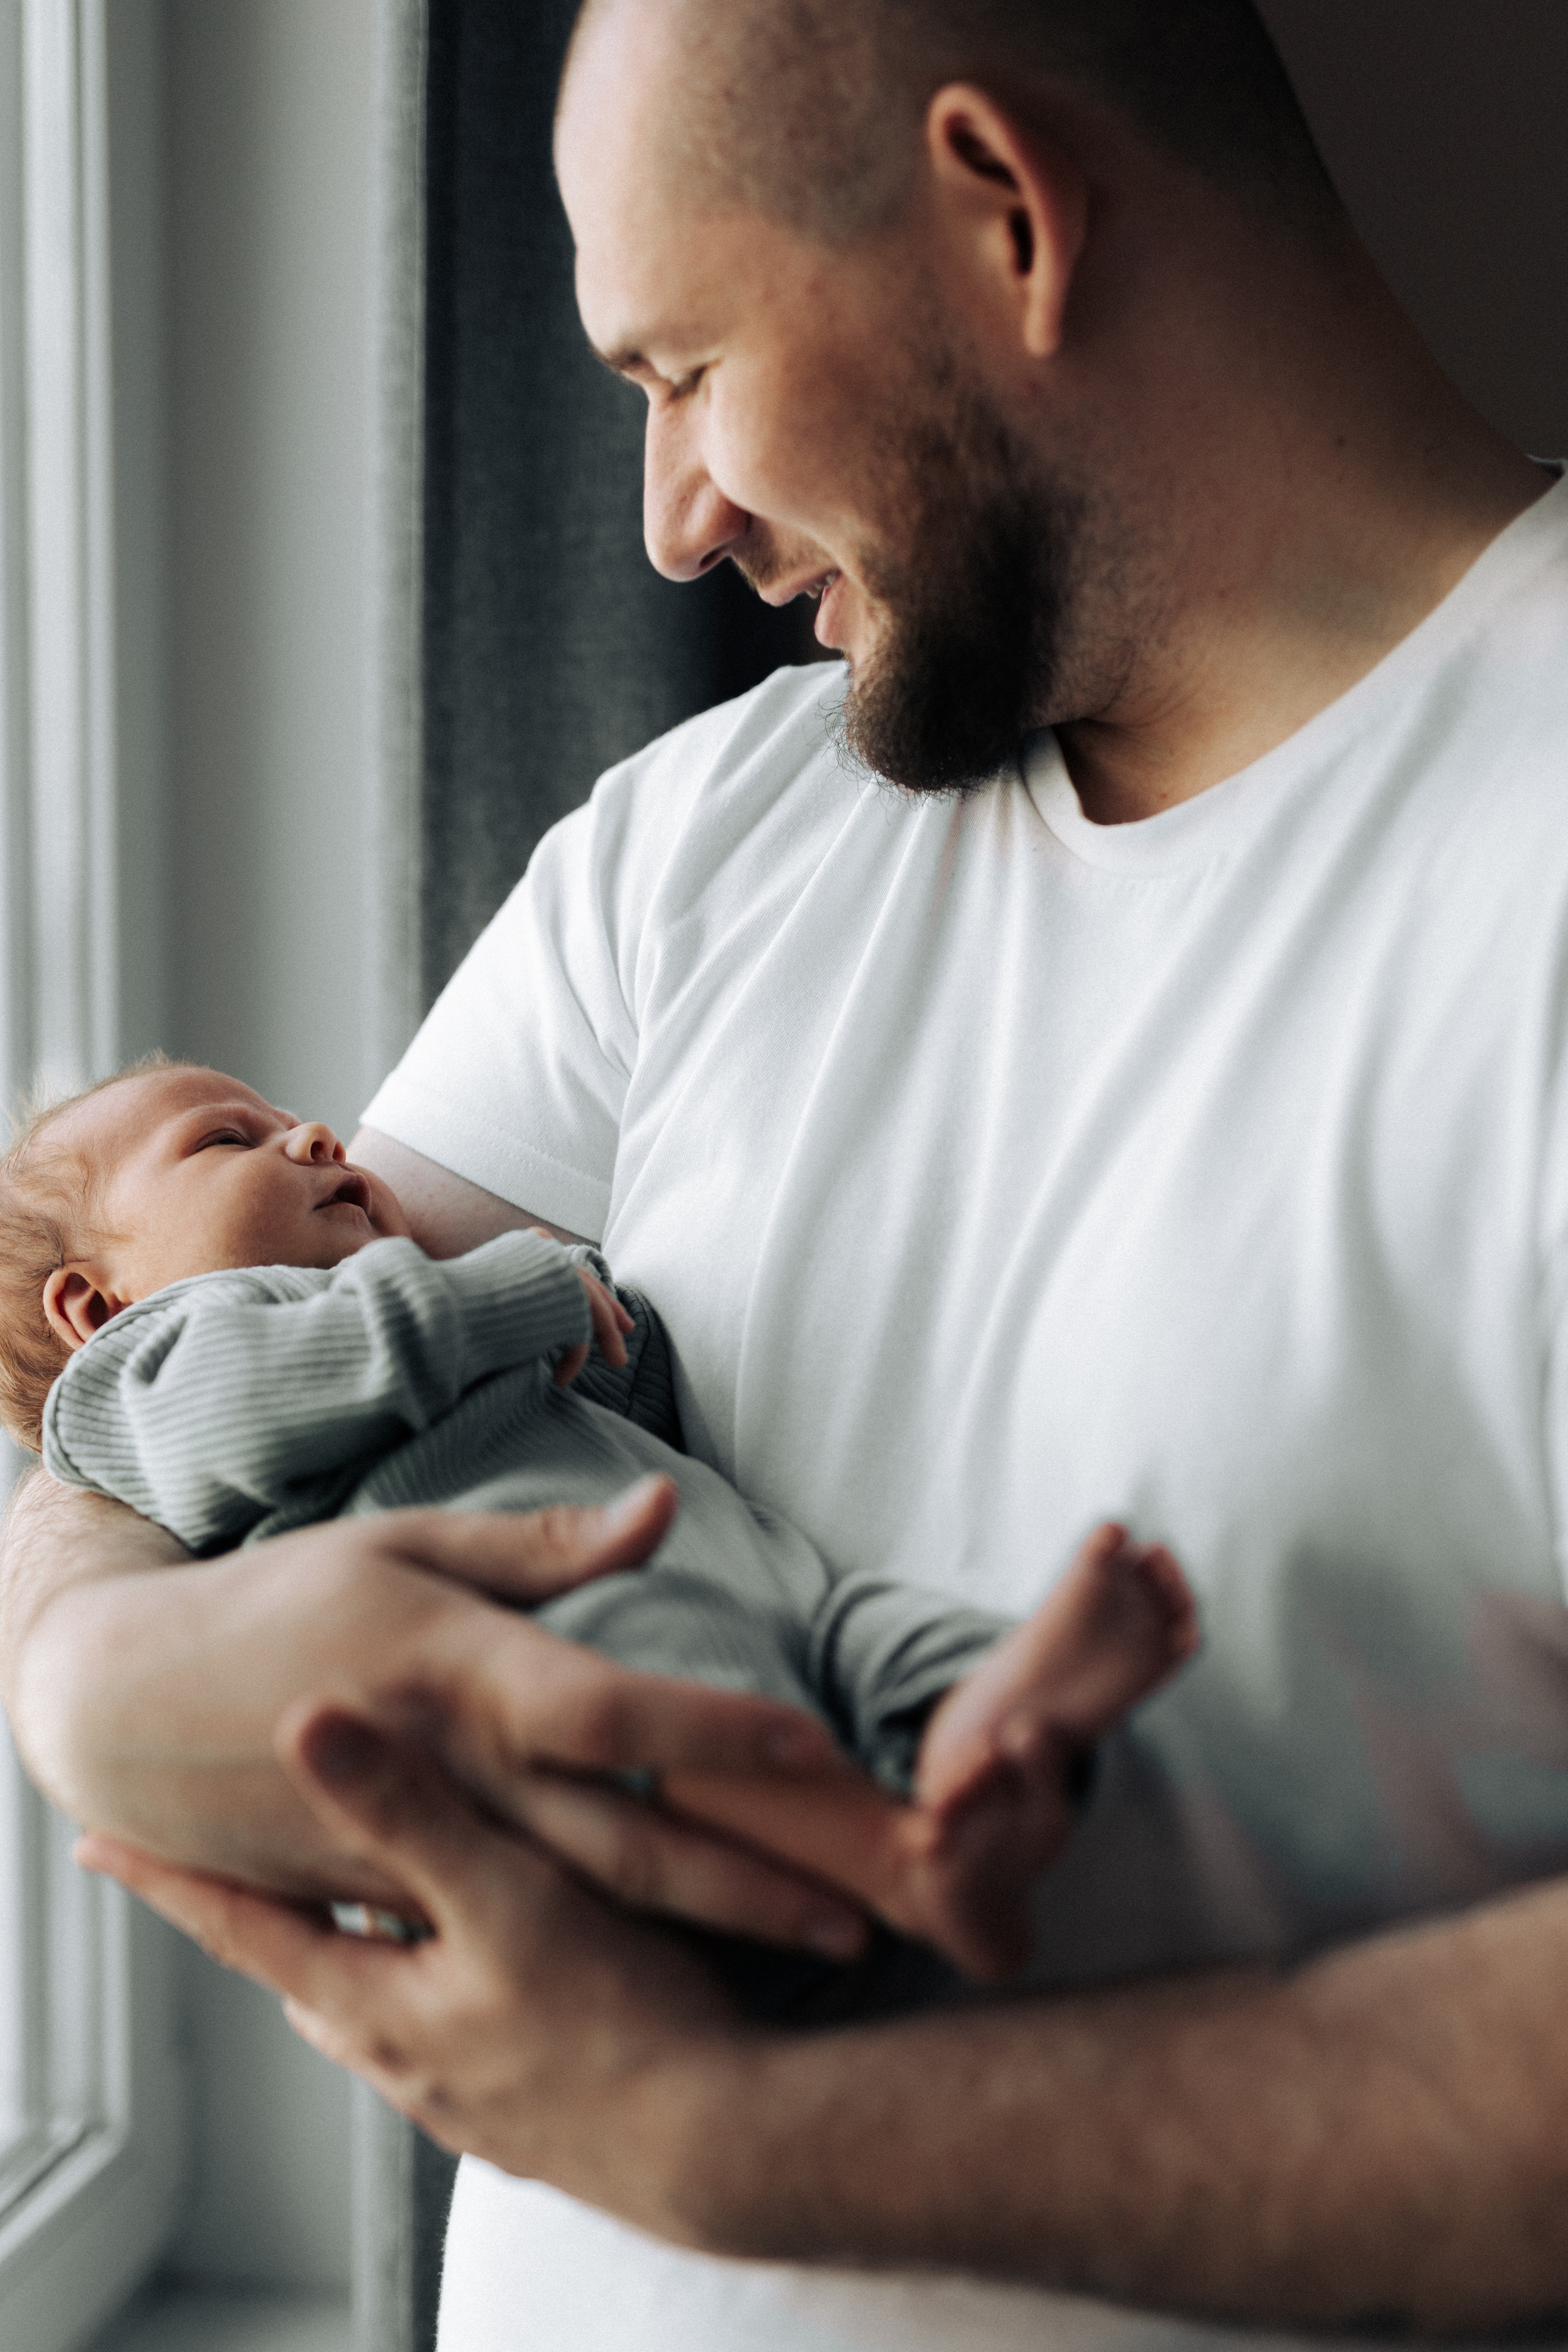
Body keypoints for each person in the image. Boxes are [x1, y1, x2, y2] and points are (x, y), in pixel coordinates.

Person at [5, 0, 1568, 2343]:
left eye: (686, 367)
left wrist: (739, 2152)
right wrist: (93, 1678)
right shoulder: (703, 841)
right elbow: (212, 1352)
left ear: (1007, 216)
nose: (668, 519)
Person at [2, 1057, 1196, 1985]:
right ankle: (894, 1855)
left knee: (876, 1635)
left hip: (754, 1578)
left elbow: (616, 1386)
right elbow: (263, 1405)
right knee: (681, 1690)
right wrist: (516, 1286)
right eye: (227, 1141)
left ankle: (987, 1743)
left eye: (284, 1120)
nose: (311, 1135)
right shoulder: (157, 1368)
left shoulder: (408, 1307)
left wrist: (599, 1330)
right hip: (561, 1625)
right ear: (93, 1303)